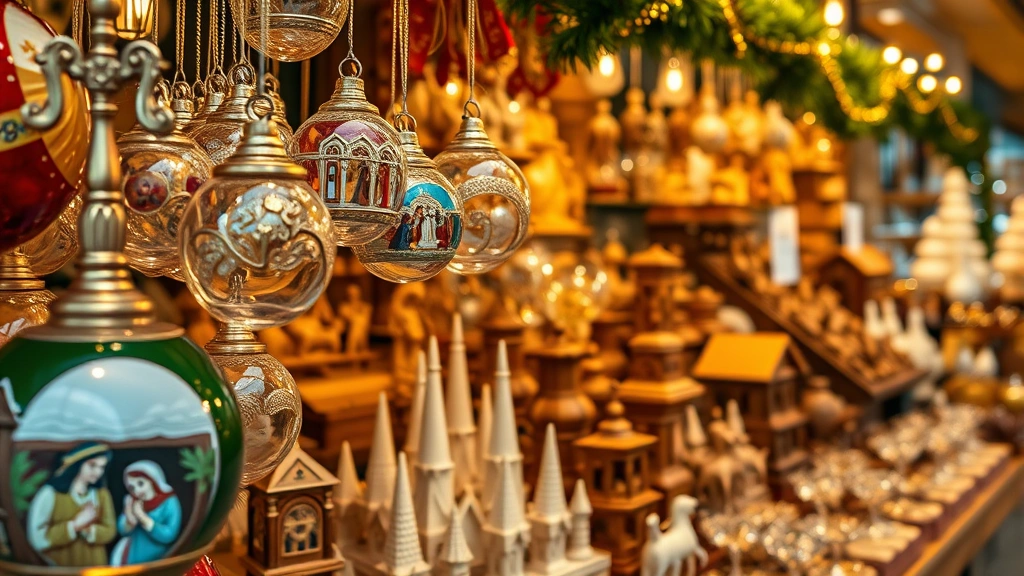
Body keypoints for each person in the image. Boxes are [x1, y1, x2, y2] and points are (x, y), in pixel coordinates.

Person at [27, 442, 117, 566]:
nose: (98, 472)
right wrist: (75, 525)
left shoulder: (101, 494)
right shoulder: (50, 494)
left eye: (102, 467)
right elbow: (38, 538)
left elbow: (110, 530)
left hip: (95, 565)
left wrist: (88, 530)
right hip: (62, 566)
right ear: (77, 464)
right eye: (92, 465)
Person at [111, 461, 182, 566]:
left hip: (159, 559)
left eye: (141, 483)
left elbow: (169, 534)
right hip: (133, 556)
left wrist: (143, 518)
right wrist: (129, 518)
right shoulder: (133, 502)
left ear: (152, 481)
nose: (137, 491)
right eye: (132, 488)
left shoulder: (168, 502)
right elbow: (122, 530)